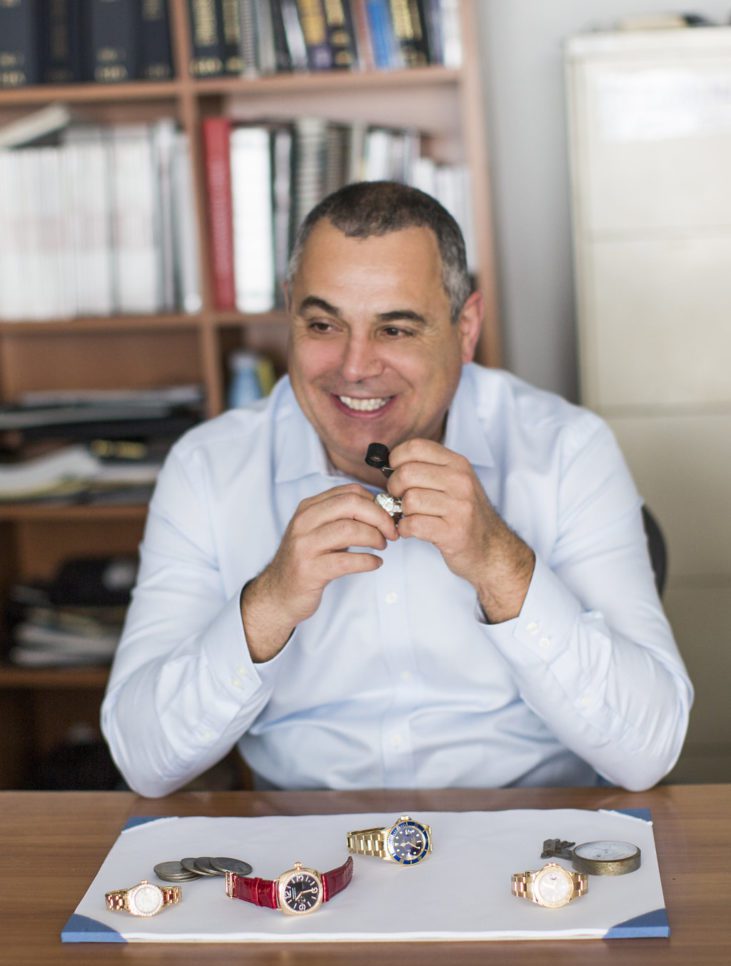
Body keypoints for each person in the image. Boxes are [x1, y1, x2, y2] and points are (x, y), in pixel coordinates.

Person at [101, 181, 692, 797]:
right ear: (289, 313)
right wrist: (268, 604)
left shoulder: (567, 449)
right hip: (307, 856)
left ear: (465, 327)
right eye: (324, 324)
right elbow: (142, 761)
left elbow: (646, 752)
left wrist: (500, 565)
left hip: (531, 844)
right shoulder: (206, 467)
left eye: (397, 330)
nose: (354, 366)